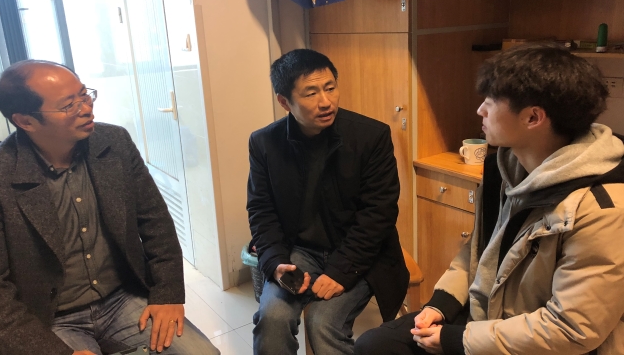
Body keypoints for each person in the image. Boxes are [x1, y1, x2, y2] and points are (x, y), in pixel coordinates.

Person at [355, 44, 624, 354]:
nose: (480, 110)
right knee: (376, 344)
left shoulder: (602, 208)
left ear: (533, 117)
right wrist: (442, 303)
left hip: (542, 342)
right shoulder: (507, 169)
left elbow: (571, 329)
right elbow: (480, 249)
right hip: (490, 316)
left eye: (491, 101)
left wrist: (457, 340)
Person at [0, 60, 219, 355]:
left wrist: (168, 293)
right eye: (68, 105)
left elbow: (155, 221)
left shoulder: (114, 142)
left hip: (121, 299)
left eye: (85, 95)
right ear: (25, 121)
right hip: (46, 318)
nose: (86, 108)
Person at [247, 49, 410, 354]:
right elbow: (261, 210)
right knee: (272, 318)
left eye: (330, 88)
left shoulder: (371, 136)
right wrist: (275, 263)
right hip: (299, 252)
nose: (326, 101)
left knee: (322, 323)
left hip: (360, 254)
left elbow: (379, 213)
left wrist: (340, 271)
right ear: (284, 101)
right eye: (311, 93)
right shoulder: (264, 143)